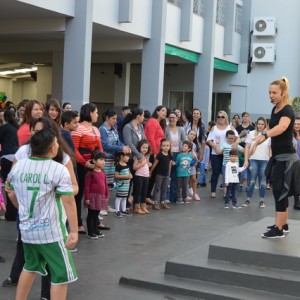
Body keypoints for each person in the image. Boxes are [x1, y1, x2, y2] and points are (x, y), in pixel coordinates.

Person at [2, 117, 78, 299]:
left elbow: (11, 192)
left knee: (30, 266)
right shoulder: (57, 169)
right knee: (60, 275)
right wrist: (74, 231)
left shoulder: (18, 167)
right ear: (52, 147)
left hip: (28, 230)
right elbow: (69, 200)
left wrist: (21, 207)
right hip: (52, 232)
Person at [257, 77, 300, 238]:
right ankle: (284, 223)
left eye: (274, 92)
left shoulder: (287, 110)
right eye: (269, 92)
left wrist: (265, 134)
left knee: (280, 192)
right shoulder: (275, 109)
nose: (271, 95)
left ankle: (278, 229)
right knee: (282, 192)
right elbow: (272, 127)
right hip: (278, 157)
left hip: (287, 159)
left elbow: (281, 128)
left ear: (283, 93)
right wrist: (260, 137)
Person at [71, 103, 103, 234]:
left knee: (96, 193)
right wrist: (84, 163)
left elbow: (100, 148)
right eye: (96, 112)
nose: (97, 114)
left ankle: (95, 221)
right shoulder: (78, 128)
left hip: (95, 165)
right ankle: (78, 222)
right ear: (90, 113)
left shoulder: (96, 129)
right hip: (82, 165)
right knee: (80, 193)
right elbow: (74, 149)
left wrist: (101, 161)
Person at [207, 111, 240, 198]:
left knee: (228, 172)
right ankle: (213, 191)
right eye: (219, 117)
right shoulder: (214, 128)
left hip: (228, 153)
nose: (220, 118)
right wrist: (215, 146)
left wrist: (235, 144)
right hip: (216, 153)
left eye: (222, 117)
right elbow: (209, 140)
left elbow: (238, 138)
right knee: (216, 172)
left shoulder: (230, 127)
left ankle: (228, 191)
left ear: (226, 118)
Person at [243, 117, 271, 208]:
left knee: (262, 182)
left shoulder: (268, 135)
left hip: (265, 160)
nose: (260, 125)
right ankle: (248, 200)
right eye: (259, 123)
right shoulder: (251, 134)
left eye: (262, 124)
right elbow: (247, 147)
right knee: (252, 181)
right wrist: (246, 160)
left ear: (265, 125)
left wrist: (271, 162)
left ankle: (262, 201)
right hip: (253, 160)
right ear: (256, 124)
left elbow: (271, 150)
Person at [100, 109, 131, 188]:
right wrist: (121, 148)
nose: (115, 121)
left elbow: (118, 142)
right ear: (107, 118)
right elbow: (105, 145)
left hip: (113, 159)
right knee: (104, 184)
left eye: (116, 118)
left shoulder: (114, 129)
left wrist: (125, 147)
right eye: (113, 118)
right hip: (106, 159)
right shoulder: (102, 129)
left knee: (110, 185)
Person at [144, 105, 167, 202]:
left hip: (157, 152)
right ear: (157, 112)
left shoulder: (159, 123)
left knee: (153, 175)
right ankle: (145, 196)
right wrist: (155, 152)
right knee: (151, 174)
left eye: (165, 111)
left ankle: (147, 196)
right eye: (162, 110)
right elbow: (150, 138)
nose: (165, 113)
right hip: (153, 153)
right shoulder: (153, 121)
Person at [0, 110, 19, 221]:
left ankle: (10, 214)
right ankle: (16, 212)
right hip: (17, 157)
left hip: (7, 157)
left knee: (8, 185)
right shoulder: (18, 127)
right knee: (16, 185)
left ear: (5, 118)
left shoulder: (4, 128)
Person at [84, 151, 108, 239]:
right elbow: (87, 187)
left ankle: (96, 230)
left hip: (100, 197)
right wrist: (87, 198)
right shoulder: (90, 173)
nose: (103, 162)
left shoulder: (103, 172)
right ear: (94, 161)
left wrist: (106, 195)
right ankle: (90, 232)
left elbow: (105, 185)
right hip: (92, 197)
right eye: (101, 159)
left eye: (104, 160)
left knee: (96, 214)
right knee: (91, 215)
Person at [215, 130, 244, 198]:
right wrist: (217, 143)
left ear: (234, 138)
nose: (230, 140)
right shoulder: (223, 144)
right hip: (226, 166)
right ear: (226, 138)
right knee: (226, 180)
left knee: (234, 180)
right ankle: (226, 194)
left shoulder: (236, 145)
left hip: (235, 166)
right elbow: (218, 152)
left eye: (232, 138)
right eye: (229, 138)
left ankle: (232, 193)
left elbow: (244, 150)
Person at [164, 111, 186, 203]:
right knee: (167, 175)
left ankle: (174, 196)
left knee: (176, 176)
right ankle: (166, 197)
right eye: (170, 117)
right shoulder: (166, 129)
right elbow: (163, 141)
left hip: (178, 154)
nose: (172, 119)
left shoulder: (181, 129)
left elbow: (184, 141)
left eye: (174, 117)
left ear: (177, 119)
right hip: (169, 154)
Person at [150, 139, 174, 209]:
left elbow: (169, 164)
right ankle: (154, 203)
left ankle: (163, 202)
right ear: (161, 147)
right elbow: (155, 164)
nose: (166, 147)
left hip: (166, 175)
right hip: (159, 174)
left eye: (167, 146)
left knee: (164, 188)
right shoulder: (159, 155)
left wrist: (168, 173)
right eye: (164, 146)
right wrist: (150, 172)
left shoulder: (170, 155)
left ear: (169, 147)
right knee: (157, 188)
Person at [235, 112, 255, 191]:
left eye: (247, 116)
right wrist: (240, 134)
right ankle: (239, 184)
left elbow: (254, 138)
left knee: (249, 168)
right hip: (239, 149)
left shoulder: (252, 128)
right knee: (239, 168)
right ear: (242, 118)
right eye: (244, 116)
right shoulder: (238, 127)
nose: (245, 118)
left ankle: (248, 185)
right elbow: (235, 138)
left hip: (249, 150)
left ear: (249, 117)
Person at [132, 139, 152, 214]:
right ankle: (137, 207)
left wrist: (148, 163)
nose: (145, 149)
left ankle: (143, 206)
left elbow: (148, 164)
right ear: (139, 148)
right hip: (139, 176)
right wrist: (142, 163)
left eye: (146, 148)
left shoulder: (146, 156)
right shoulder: (138, 156)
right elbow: (134, 167)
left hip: (146, 176)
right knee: (138, 192)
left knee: (144, 192)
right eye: (143, 147)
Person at [114, 151, 132, 217]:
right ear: (121, 156)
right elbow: (116, 175)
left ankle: (123, 210)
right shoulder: (119, 165)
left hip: (126, 185)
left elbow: (129, 172)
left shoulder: (127, 165)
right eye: (127, 156)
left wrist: (130, 175)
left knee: (124, 197)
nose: (128, 158)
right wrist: (124, 176)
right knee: (119, 197)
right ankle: (117, 210)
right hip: (121, 185)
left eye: (129, 156)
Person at [186, 129, 201, 201]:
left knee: (194, 178)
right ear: (188, 134)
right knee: (185, 179)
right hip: (185, 163)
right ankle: (185, 193)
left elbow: (196, 155)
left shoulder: (195, 145)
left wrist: (196, 162)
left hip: (192, 163)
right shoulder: (184, 143)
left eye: (194, 135)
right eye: (191, 134)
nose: (192, 136)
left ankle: (195, 193)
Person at [292, 116, 300, 210]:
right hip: (294, 162)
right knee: (296, 182)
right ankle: (296, 202)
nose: (296, 125)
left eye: (298, 124)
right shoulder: (290, 135)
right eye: (295, 124)